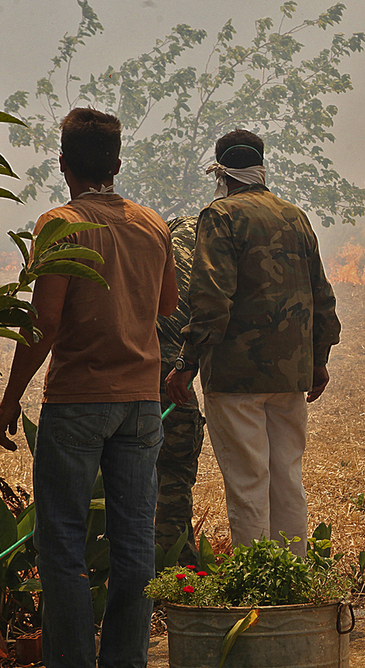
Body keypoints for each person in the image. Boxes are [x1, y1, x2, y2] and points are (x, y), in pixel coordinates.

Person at [0, 107, 177, 668]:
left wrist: (10, 397)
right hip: (142, 405)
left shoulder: (60, 224)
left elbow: (44, 323)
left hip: (76, 403)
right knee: (134, 546)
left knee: (63, 546)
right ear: (117, 165)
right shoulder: (152, 223)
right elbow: (166, 305)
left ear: (63, 162)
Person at [165, 129, 341, 557]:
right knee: (286, 480)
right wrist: (319, 360)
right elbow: (321, 294)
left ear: (221, 171)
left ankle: (258, 588)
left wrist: (187, 362)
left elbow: (211, 297)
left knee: (248, 484)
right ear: (261, 166)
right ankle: (292, 581)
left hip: (235, 377)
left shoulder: (220, 216)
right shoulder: (295, 216)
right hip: (292, 375)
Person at [155, 215, 206, 566]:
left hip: (127, 378)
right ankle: (178, 574)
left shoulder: (159, 241)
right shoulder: (216, 258)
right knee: (172, 486)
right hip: (172, 383)